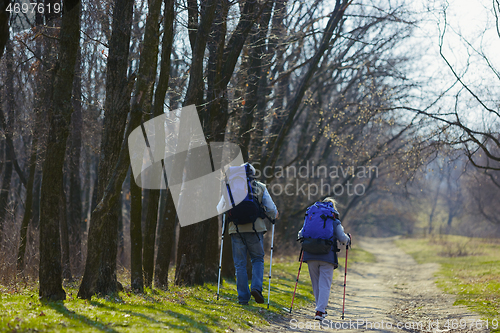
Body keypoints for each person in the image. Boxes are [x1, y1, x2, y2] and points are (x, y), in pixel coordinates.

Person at [217, 163, 278, 305]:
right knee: (257, 259)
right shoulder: (260, 187)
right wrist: (274, 215)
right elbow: (272, 210)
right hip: (255, 230)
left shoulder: (229, 188)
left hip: (235, 229)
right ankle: (256, 288)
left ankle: (243, 298)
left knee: (240, 264)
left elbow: (220, 208)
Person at [298, 197, 350, 320]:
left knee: (316, 284)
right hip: (327, 256)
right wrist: (348, 239)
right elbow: (343, 238)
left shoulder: (311, 216)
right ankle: (320, 311)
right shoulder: (334, 220)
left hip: (310, 255)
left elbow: (300, 234)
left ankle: (319, 309)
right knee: (324, 284)